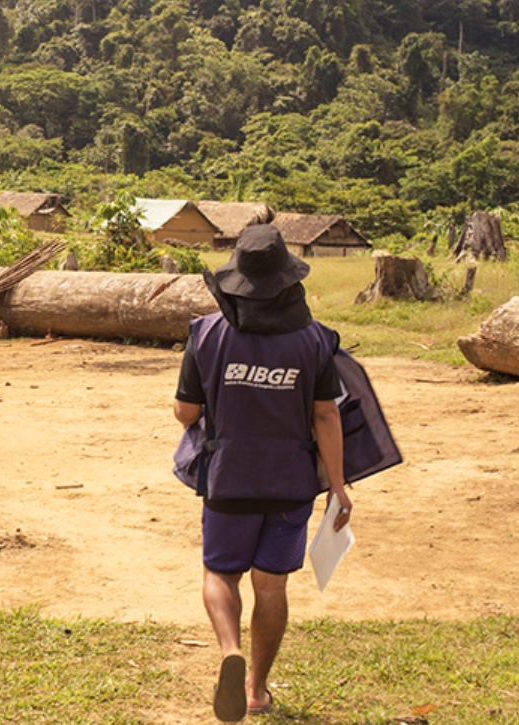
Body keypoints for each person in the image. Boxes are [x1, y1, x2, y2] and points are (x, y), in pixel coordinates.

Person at [173, 224, 352, 721]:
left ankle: (230, 648)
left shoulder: (206, 334)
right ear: (288, 281)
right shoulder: (315, 340)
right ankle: (255, 690)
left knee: (219, 573)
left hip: (228, 478)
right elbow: (326, 416)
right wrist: (338, 486)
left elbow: (186, 412)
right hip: (290, 484)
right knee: (271, 586)